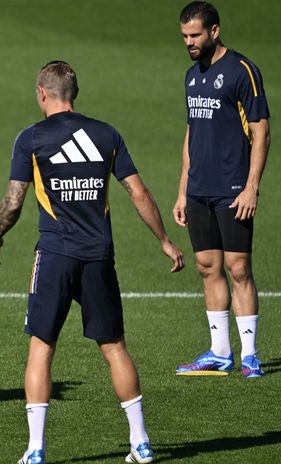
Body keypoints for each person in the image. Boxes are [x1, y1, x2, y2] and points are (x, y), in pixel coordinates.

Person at [0, 61, 184, 464]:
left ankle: (36, 450)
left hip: (55, 255)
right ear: (73, 92)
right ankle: (141, 442)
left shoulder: (32, 138)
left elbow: (13, 201)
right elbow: (139, 193)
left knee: (42, 348)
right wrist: (164, 240)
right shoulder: (106, 134)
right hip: (99, 257)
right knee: (114, 348)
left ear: (43, 92)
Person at [172, 2, 271, 378]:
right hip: (199, 190)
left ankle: (249, 355)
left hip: (233, 187)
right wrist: (182, 190)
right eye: (184, 36)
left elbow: (261, 130)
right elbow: (191, 134)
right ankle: (219, 352)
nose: (189, 43)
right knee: (207, 267)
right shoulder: (191, 75)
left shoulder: (242, 70)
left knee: (239, 267)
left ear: (214, 31)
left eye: (195, 35)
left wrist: (251, 187)